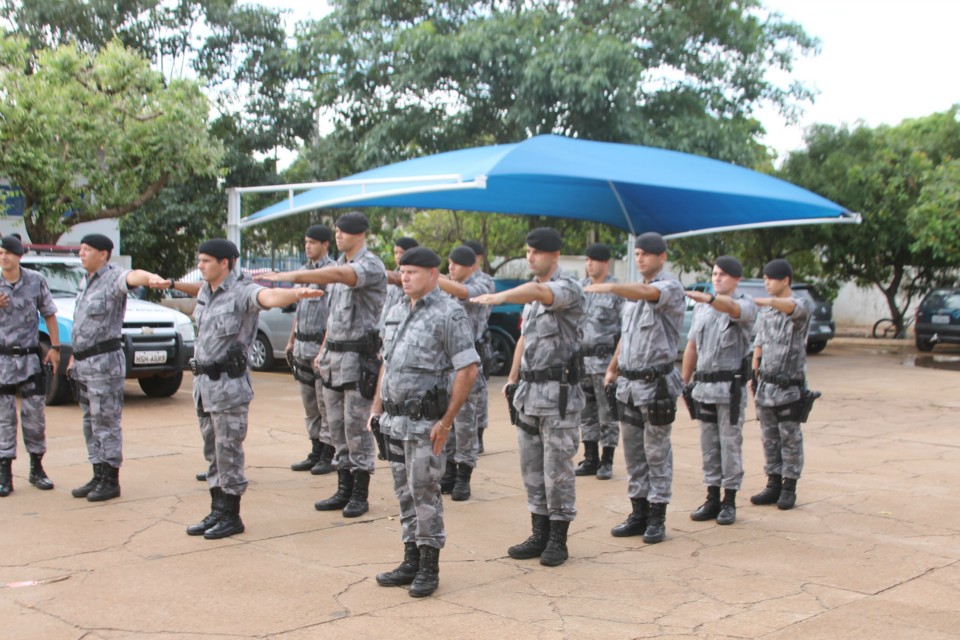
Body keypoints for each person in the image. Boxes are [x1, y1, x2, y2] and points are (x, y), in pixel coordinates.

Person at [158, 239, 324, 539]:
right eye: (200, 260)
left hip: (229, 387)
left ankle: (231, 515)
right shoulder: (207, 293)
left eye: (206, 261)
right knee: (212, 452)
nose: (200, 266)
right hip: (203, 385)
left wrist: (295, 294)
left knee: (228, 451)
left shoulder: (243, 291)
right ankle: (217, 509)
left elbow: (268, 296)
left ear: (226, 263)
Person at [260, 211, 386, 518]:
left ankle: (359, 493)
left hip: (359, 360)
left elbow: (342, 277)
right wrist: (324, 349)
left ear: (360, 235)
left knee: (357, 429)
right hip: (334, 358)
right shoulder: (339, 267)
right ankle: (343, 488)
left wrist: (293, 276)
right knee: (337, 427)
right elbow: (334, 317)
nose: (339, 236)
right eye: (338, 231)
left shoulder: (367, 265)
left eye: (345, 232)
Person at [471, 227, 584, 567]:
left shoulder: (568, 288)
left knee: (557, 469)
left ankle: (558, 539)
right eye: (528, 251)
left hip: (558, 395)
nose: (529, 257)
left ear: (554, 255)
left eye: (536, 252)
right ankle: (539, 532)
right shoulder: (533, 299)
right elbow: (524, 338)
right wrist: (513, 377)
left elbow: (538, 291)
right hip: (529, 394)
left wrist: (500, 297)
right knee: (531, 468)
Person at [371, 246, 479, 598]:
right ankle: (410, 561)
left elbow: (468, 368)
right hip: (394, 420)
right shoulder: (396, 309)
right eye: (402, 271)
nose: (404, 276)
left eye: (413, 271)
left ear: (433, 275)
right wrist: (376, 408)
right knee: (403, 494)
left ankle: (429, 567)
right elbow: (386, 363)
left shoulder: (449, 313)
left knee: (425, 493)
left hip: (425, 423)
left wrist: (447, 421)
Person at [586, 232, 684, 544]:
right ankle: (638, 512)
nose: (640, 258)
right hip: (628, 383)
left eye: (646, 253)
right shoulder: (632, 296)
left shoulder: (669, 288)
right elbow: (626, 338)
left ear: (662, 257)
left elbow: (648, 293)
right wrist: (613, 368)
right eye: (637, 253)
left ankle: (657, 516)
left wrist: (612, 287)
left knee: (657, 452)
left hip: (655, 386)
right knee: (633, 453)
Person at [69, 234, 168, 502]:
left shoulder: (114, 277)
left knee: (106, 421)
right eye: (81, 249)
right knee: (90, 421)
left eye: (87, 249)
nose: (81, 253)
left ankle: (111, 479)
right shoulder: (86, 280)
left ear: (103, 254)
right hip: (83, 362)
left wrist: (151, 278)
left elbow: (134, 276)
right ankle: (98, 473)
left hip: (104, 363)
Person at [681, 256, 757, 525]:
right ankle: (712, 497)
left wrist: (710, 300)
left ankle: (729, 500)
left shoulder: (745, 304)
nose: (717, 278)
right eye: (714, 273)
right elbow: (692, 346)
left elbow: (734, 310)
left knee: (730, 444)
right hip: (704, 388)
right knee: (709, 446)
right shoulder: (702, 309)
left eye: (723, 274)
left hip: (730, 389)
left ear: (736, 279)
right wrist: (684, 380)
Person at [749, 258, 814, 511]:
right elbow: (759, 345)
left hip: (790, 386)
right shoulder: (766, 312)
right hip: (767, 385)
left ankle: (789, 487)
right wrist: (754, 377)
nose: (766, 283)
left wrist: (762, 301)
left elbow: (788, 306)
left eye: (770, 278)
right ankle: (773, 483)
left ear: (785, 280)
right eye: (764, 278)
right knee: (769, 438)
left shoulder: (801, 306)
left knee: (790, 437)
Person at [0, 235, 60, 496]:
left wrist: (55, 349)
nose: (3, 257)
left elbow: (49, 313)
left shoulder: (36, 280)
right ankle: (4, 473)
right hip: (2, 360)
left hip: (29, 360)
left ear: (19, 256)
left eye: (8, 253)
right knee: (3, 419)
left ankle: (37, 468)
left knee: (34, 416)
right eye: (0, 253)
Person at [435, 245, 494, 501]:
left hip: (467, 365)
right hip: (444, 366)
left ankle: (464, 476)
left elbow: (463, 292)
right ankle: (448, 472)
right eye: (448, 263)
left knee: (465, 424)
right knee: (445, 420)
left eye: (455, 264)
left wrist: (432, 276)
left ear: (471, 265)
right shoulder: (446, 287)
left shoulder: (482, 284)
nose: (450, 268)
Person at [285, 224, 337, 475]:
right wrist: (291, 340)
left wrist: (324, 349)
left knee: (324, 402)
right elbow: (300, 309)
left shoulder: (333, 273)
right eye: (306, 242)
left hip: (320, 347)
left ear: (326, 244)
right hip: (303, 346)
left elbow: (334, 315)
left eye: (313, 242)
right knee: (309, 404)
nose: (308, 246)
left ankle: (329, 451)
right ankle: (315, 448)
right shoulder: (304, 272)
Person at [576, 243, 623, 480]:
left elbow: (625, 331)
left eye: (594, 260)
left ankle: (607, 460)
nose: (589, 264)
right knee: (586, 413)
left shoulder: (616, 291)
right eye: (587, 260)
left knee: (608, 414)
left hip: (605, 361)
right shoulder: (581, 289)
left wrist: (615, 367)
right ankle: (590, 457)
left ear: (606, 262)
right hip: (583, 360)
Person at [463, 240, 495, 453]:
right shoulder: (453, 279)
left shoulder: (485, 281)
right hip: (456, 347)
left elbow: (465, 292)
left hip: (476, 344)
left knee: (478, 392)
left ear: (479, 258)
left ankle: (479, 434)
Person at [379, 237, 418, 329]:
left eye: (401, 252)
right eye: (396, 253)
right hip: (387, 326)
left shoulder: (416, 278)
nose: (398, 256)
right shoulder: (390, 279)